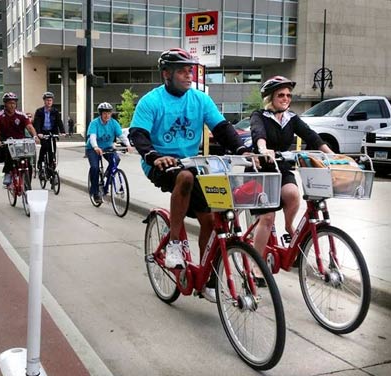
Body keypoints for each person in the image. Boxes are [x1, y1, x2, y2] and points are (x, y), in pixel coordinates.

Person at [129, 48, 247, 302]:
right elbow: (138, 134)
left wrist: (242, 149)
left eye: (190, 71)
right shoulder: (151, 101)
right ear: (166, 74)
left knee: (211, 219)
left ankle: (207, 276)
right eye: (182, 71)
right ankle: (173, 243)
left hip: (193, 164)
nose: (188, 76)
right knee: (184, 178)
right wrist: (153, 156)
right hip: (160, 165)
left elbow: (222, 128)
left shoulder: (200, 99)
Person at [249, 76, 333, 256]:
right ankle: (257, 264)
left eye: (288, 95)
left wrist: (331, 154)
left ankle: (288, 225)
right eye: (281, 95)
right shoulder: (259, 116)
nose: (286, 98)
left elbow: (311, 136)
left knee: (293, 195)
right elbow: (258, 134)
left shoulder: (291, 118)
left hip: (281, 167)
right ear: (270, 98)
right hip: (261, 170)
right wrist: (263, 149)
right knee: (268, 217)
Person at [86, 102, 134, 204]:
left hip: (108, 147)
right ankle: (95, 193)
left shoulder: (113, 123)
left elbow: (121, 136)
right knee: (95, 167)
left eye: (109, 113)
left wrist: (128, 145)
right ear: (101, 114)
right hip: (93, 148)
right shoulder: (94, 123)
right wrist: (95, 147)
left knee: (116, 159)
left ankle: (108, 175)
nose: (107, 115)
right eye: (104, 113)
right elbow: (92, 137)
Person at [0, 92, 38, 186]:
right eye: (9, 103)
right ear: (5, 104)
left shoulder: (21, 115)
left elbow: (29, 126)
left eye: (14, 103)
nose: (12, 105)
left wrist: (35, 136)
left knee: (27, 161)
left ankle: (27, 181)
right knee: (9, 155)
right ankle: (7, 173)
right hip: (6, 141)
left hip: (20, 141)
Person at [33, 91, 64, 177]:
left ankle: (51, 168)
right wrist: (38, 133)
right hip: (43, 132)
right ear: (44, 101)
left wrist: (62, 131)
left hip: (52, 132)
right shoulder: (39, 111)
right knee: (45, 146)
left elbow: (59, 121)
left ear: (52, 101)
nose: (49, 102)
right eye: (47, 100)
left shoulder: (55, 111)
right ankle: (40, 162)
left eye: (50, 100)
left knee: (52, 150)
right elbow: (37, 123)